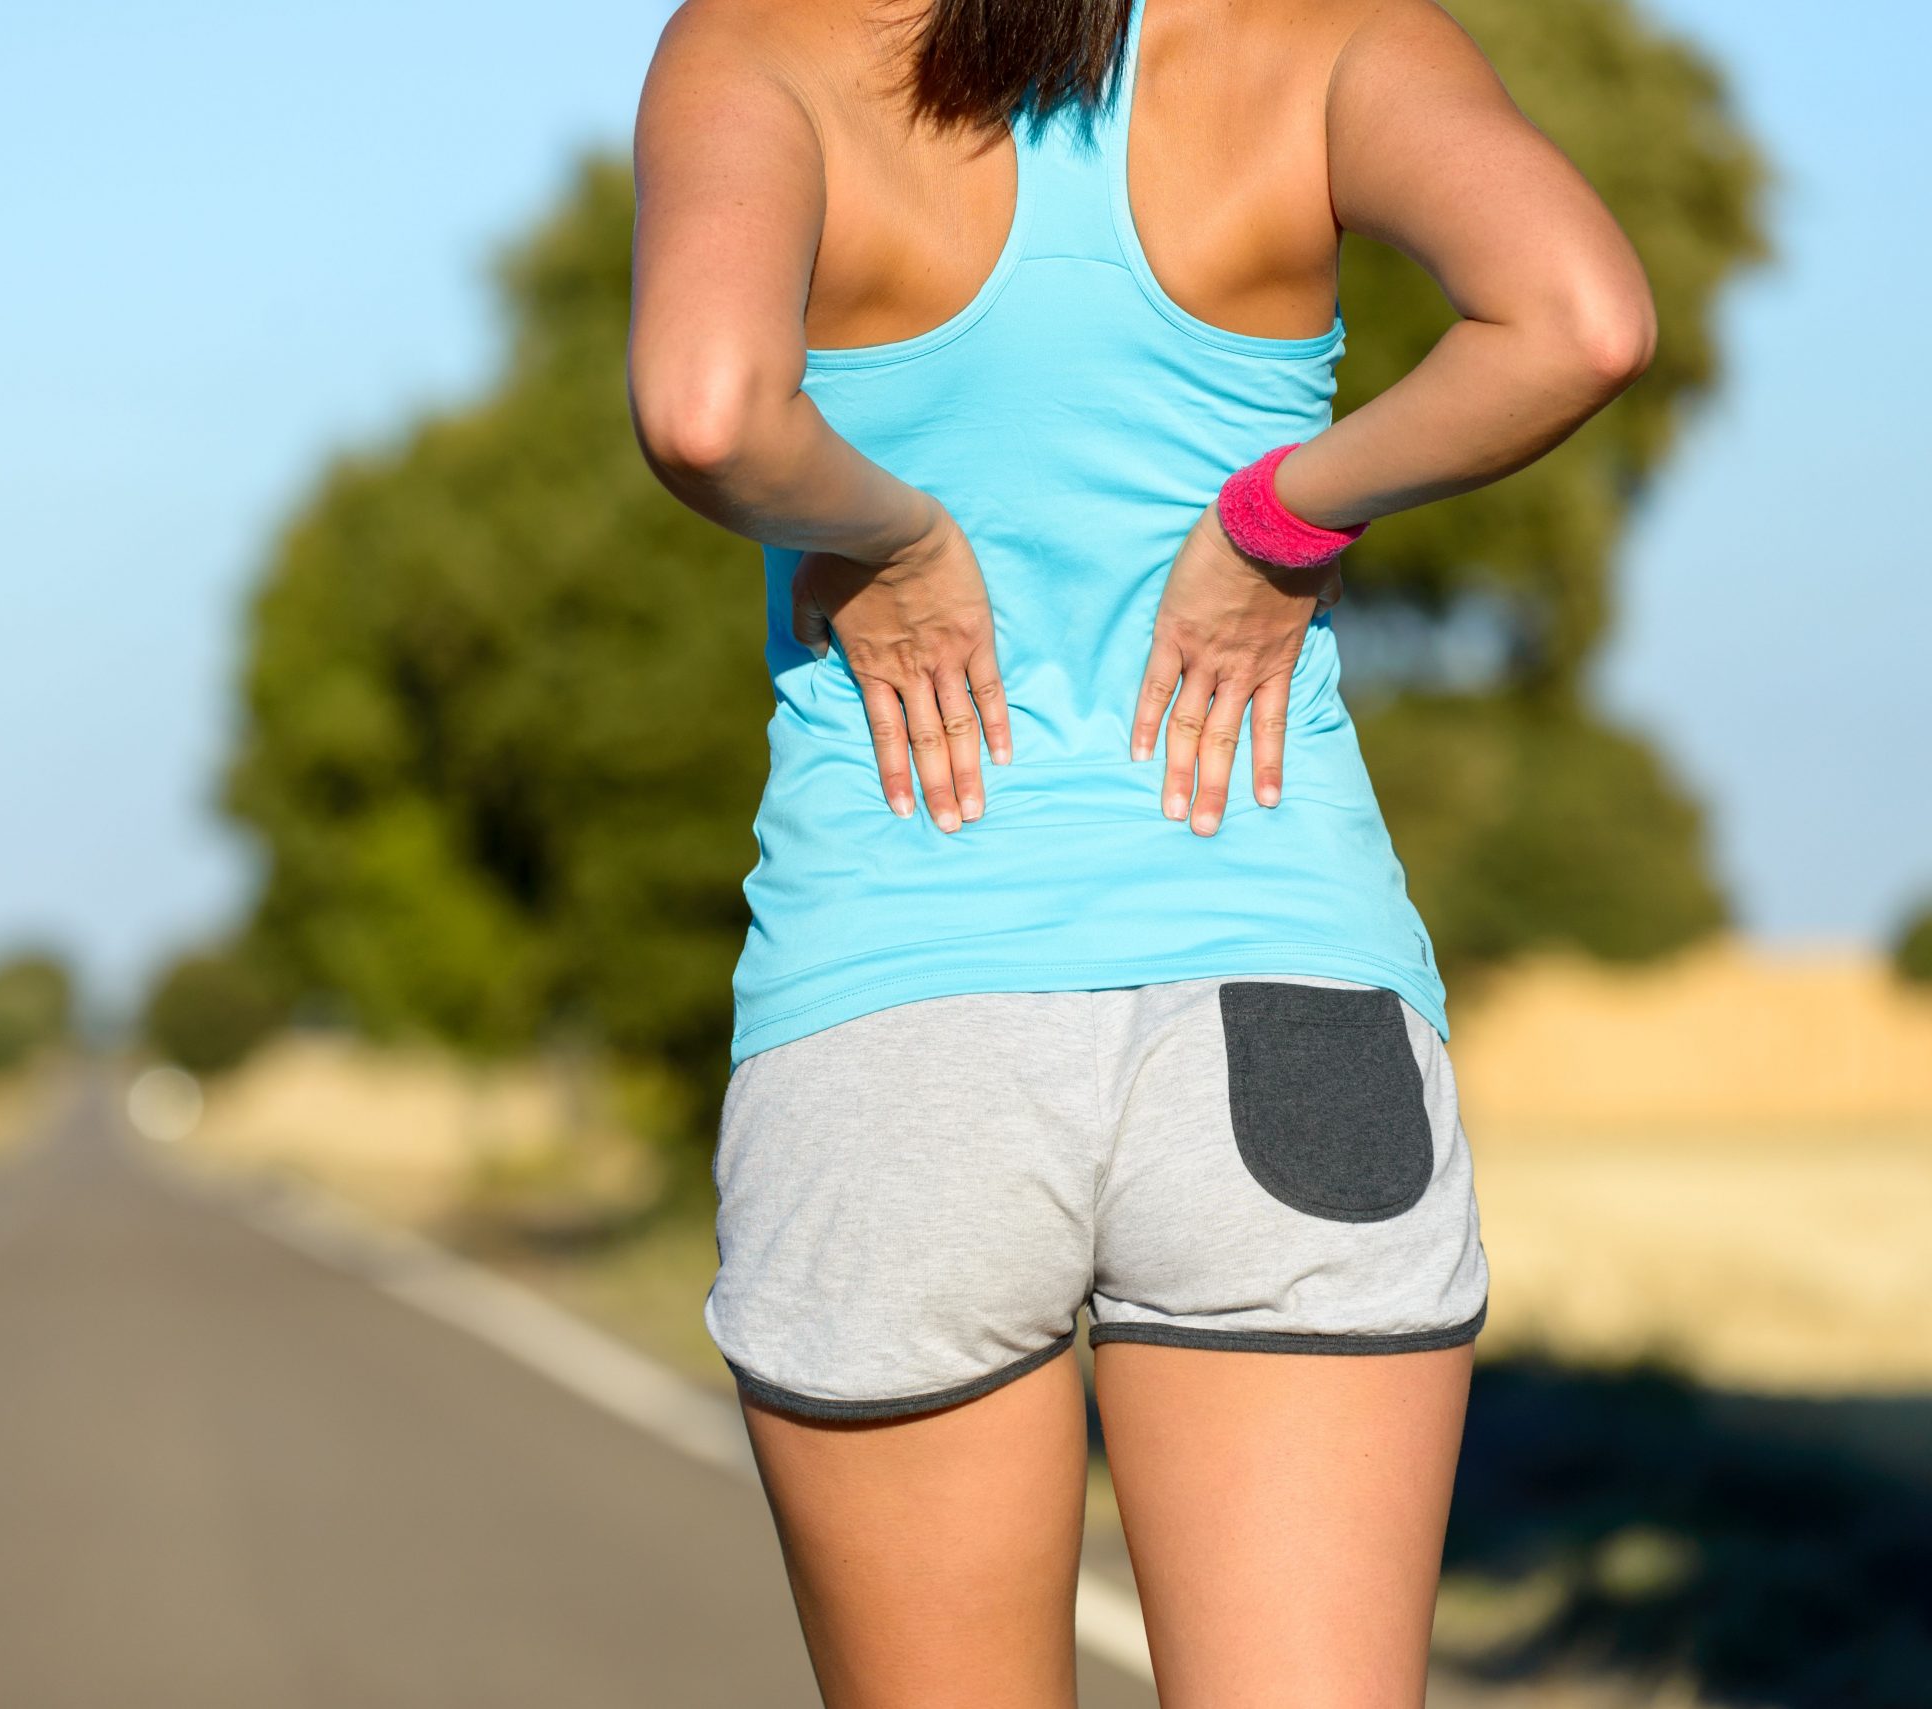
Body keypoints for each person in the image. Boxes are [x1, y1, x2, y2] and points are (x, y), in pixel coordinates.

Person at [626, 0, 1655, 1702]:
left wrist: (894, 535)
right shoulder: (1332, 35)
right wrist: (1283, 515)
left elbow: (710, 407)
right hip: (1292, 1000)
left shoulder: (758, 44)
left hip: (898, 1021)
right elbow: (1583, 316)